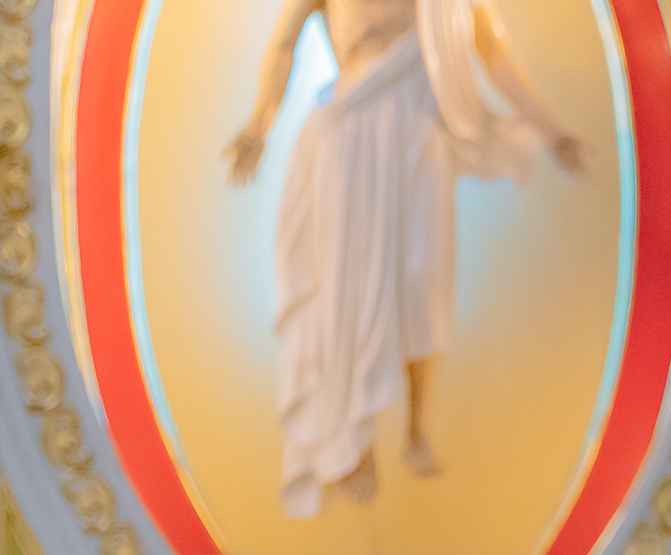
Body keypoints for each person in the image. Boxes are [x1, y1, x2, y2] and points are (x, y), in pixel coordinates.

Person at [222, 0, 590, 514]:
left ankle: (418, 425)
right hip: (350, 131)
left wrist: (549, 129)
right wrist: (258, 124)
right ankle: (354, 440)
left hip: (420, 131)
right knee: (350, 280)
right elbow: (284, 46)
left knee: (424, 273)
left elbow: (490, 50)